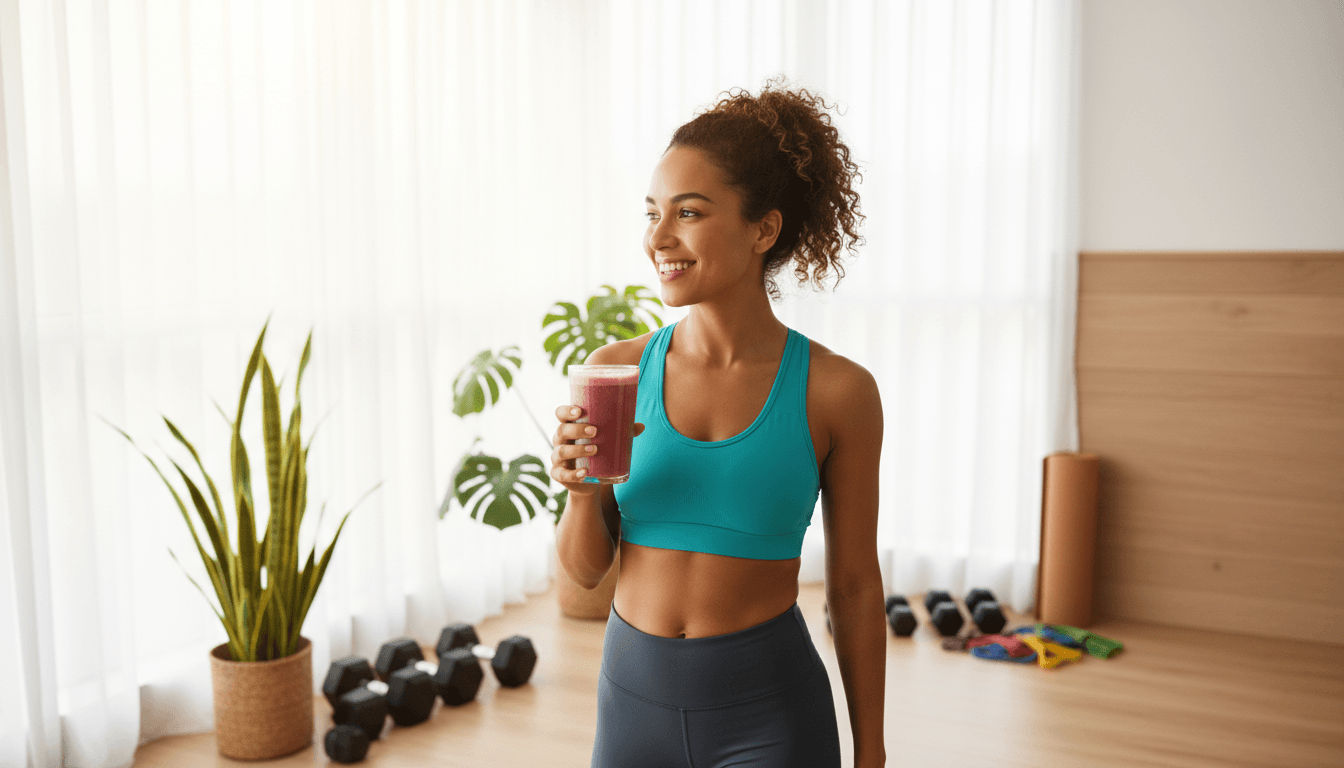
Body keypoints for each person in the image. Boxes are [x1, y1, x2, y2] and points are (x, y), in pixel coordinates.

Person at [551, 76, 886, 768]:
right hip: (631, 712)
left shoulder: (837, 392)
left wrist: (872, 751)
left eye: (689, 212)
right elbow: (585, 572)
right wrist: (580, 494)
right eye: (652, 213)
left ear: (764, 229)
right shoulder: (615, 372)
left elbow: (854, 587)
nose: (659, 237)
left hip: (770, 718)